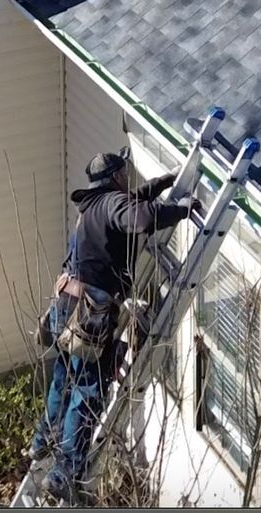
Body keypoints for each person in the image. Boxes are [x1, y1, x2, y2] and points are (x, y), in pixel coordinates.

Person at [31, 151, 196, 501]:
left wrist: (164, 183)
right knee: (88, 391)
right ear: (117, 177)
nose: (128, 180)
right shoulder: (112, 204)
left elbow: (130, 204)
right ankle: (63, 473)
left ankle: (42, 439)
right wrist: (182, 209)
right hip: (90, 315)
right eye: (125, 174)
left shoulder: (92, 207)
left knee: (64, 376)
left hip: (66, 303)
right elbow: (137, 218)